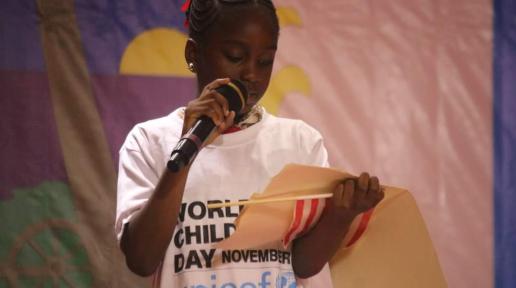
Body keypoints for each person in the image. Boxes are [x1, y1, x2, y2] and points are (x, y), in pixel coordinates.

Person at [115, 0, 384, 287]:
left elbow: (304, 265)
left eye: (265, 61)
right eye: (235, 56)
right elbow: (141, 259)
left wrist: (340, 216)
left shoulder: (300, 142)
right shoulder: (149, 141)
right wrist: (184, 152)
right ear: (193, 53)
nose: (251, 75)